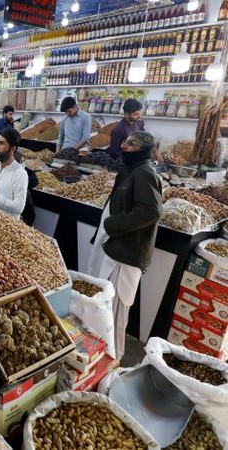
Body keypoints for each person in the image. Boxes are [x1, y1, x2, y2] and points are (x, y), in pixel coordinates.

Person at [86, 130, 162, 360]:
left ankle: (113, 361)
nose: (125, 145)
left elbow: (151, 211)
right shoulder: (131, 169)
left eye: (132, 143)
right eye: (126, 141)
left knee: (116, 314)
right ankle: (101, 356)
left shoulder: (145, 173)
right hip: (116, 248)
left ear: (144, 150)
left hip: (127, 254)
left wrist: (112, 224)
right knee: (105, 309)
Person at [0, 128, 28, 219]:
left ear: (13, 149)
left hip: (5, 228)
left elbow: (18, 208)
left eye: (1, 143)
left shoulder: (20, 174)